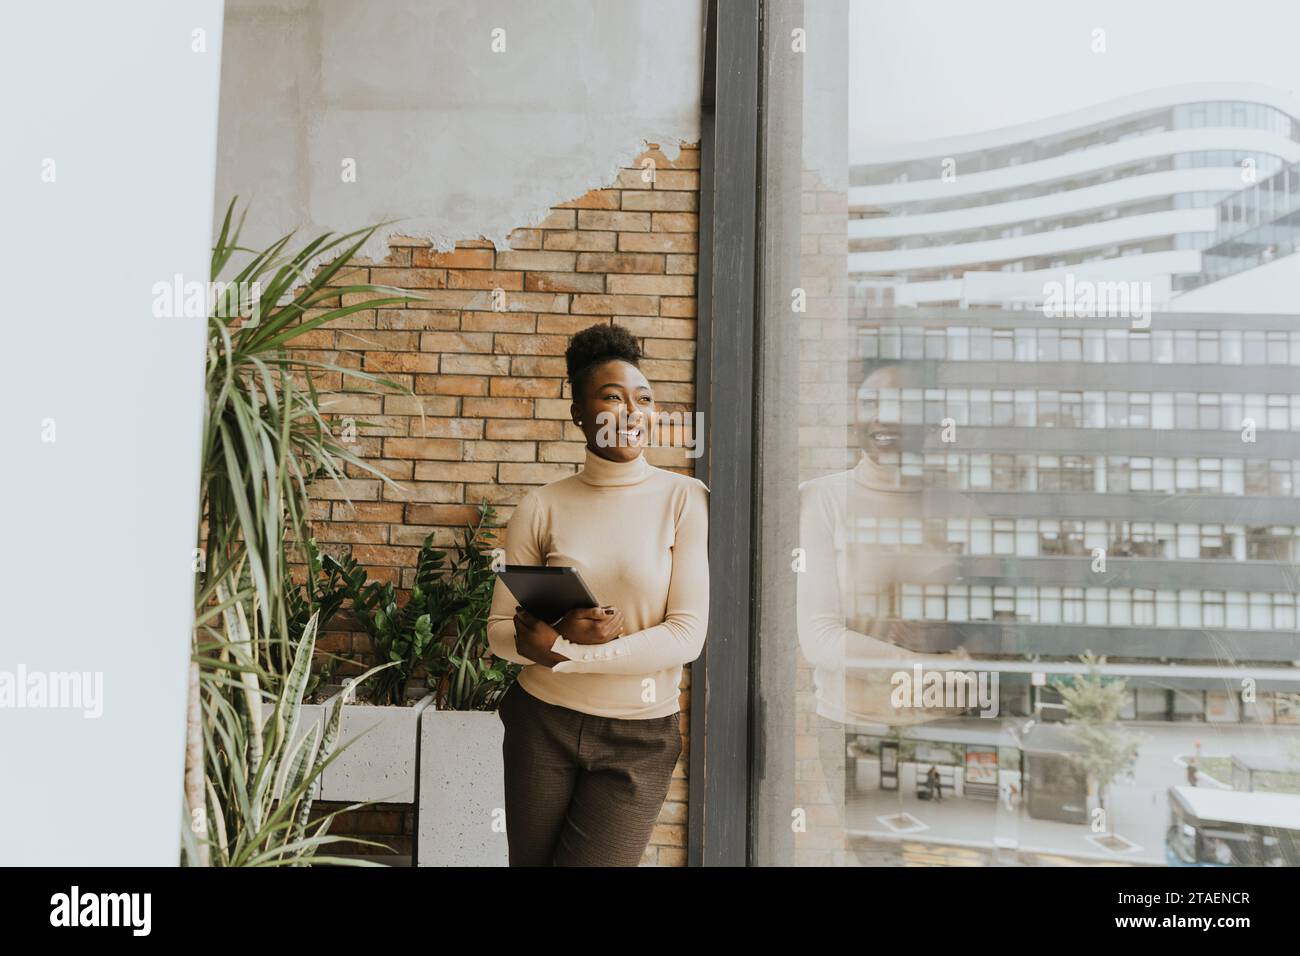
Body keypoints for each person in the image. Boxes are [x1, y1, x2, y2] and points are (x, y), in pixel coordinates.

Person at [486, 323, 710, 866]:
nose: (632, 411)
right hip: (541, 723)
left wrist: (568, 653)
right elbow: (498, 631)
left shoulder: (683, 498)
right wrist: (548, 641)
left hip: (639, 737)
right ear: (580, 414)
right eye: (612, 397)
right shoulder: (540, 507)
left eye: (645, 399)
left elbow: (686, 634)